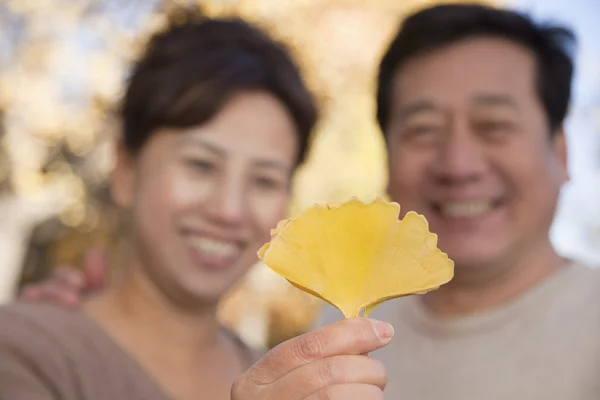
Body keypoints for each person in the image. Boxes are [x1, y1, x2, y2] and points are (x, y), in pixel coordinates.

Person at [19, 3, 600, 399]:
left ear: (562, 150)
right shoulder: (324, 335)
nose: (458, 164)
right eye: (423, 129)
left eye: (494, 125)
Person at [0, 10, 392, 400]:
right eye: (201, 165)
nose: (229, 210)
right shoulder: (25, 352)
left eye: (265, 180)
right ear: (124, 169)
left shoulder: (288, 378)